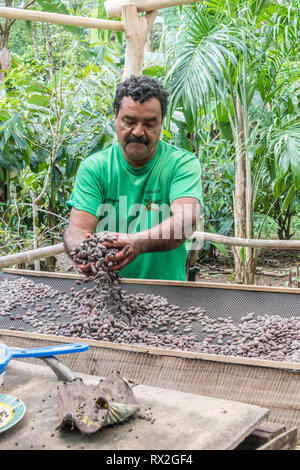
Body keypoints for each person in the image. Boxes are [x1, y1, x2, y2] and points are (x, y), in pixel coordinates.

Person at [63, 75, 203, 281]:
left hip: (168, 295)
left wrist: (135, 243)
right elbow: (77, 228)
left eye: (149, 124)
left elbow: (184, 222)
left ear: (161, 122)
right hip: (105, 293)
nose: (138, 132)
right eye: (129, 121)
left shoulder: (181, 164)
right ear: (116, 118)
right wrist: (81, 251)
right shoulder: (95, 168)